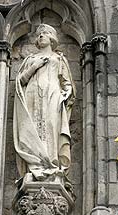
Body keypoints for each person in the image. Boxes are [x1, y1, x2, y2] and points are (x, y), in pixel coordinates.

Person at [13, 24, 76, 181]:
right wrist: (34, 67)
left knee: (50, 125)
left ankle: (51, 164)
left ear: (52, 38)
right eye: (39, 34)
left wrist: (66, 92)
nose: (41, 36)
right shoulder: (30, 59)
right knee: (32, 127)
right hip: (32, 95)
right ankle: (34, 165)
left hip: (52, 96)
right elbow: (20, 81)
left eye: (45, 33)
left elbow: (66, 82)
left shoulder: (58, 59)